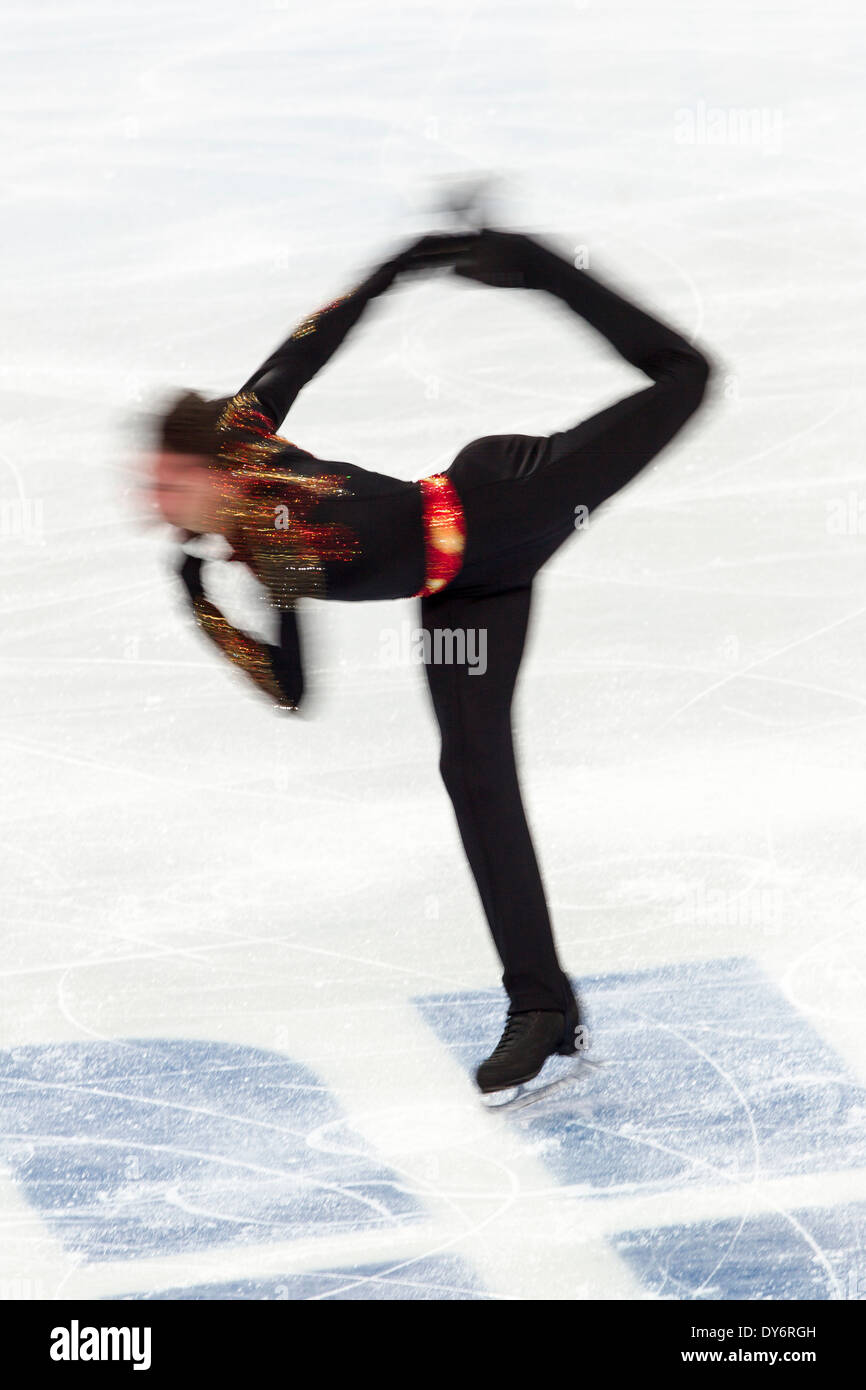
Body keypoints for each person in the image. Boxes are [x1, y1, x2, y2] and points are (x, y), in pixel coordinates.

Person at [146, 225, 712, 1094]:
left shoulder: (242, 445)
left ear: (202, 467)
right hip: (464, 596)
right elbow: (294, 688)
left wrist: (388, 272)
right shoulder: (261, 546)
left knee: (687, 379)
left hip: (508, 498)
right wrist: (205, 610)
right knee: (472, 769)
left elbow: (307, 349)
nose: (153, 502)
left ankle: (535, 260)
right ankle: (542, 1009)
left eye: (163, 482)